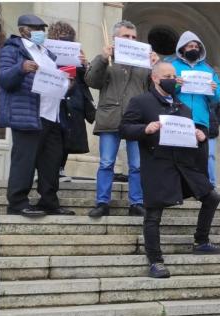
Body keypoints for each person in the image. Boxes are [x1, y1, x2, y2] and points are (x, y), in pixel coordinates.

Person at [119, 62, 220, 278]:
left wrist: (200, 137)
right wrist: (144, 129)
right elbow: (124, 128)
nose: (172, 79)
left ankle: (201, 240)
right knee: (153, 213)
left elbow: (190, 134)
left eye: (174, 75)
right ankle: (155, 260)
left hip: (184, 165)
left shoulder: (183, 107)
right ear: (156, 78)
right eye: (167, 75)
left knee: (211, 197)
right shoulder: (141, 102)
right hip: (158, 165)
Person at [0, 14, 75, 216]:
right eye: (36, 28)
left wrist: (67, 84)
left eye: (42, 28)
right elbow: (4, 78)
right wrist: (21, 68)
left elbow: (56, 80)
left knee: (51, 161)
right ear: (24, 30)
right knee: (25, 159)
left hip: (52, 116)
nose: (41, 32)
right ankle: (17, 203)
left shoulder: (48, 54)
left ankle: (49, 201)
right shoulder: (12, 50)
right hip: (28, 114)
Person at [85, 20, 159, 217]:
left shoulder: (144, 63)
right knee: (107, 162)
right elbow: (91, 81)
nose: (131, 40)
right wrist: (102, 58)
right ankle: (102, 202)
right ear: (116, 38)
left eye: (134, 37)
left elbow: (153, 91)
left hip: (136, 120)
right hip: (111, 117)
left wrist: (155, 68)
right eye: (127, 36)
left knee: (137, 165)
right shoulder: (107, 59)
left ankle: (136, 203)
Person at [171, 31, 220, 187]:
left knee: (201, 157)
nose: (194, 49)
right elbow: (165, 90)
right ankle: (179, 187)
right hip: (179, 116)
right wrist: (176, 84)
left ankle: (200, 188)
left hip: (201, 119)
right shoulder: (173, 66)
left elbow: (217, 99)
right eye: (190, 46)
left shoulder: (208, 70)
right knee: (179, 155)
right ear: (182, 48)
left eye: (196, 46)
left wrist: (214, 90)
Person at [47, 21, 96, 182]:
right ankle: (47, 169)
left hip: (73, 100)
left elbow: (87, 79)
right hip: (54, 98)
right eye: (62, 38)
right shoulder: (46, 52)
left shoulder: (76, 52)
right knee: (54, 135)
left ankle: (60, 168)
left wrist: (84, 64)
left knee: (68, 135)